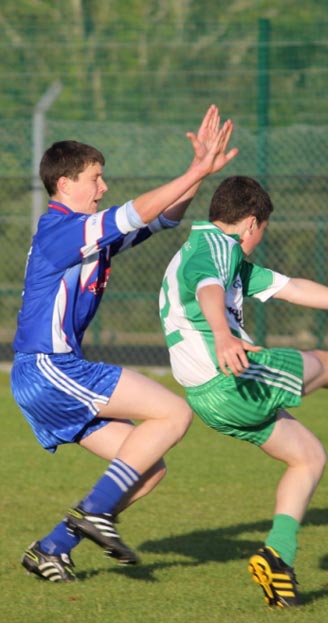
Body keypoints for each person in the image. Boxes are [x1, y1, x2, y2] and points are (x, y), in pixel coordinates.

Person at [158, 175, 328, 608]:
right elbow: (207, 287)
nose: (260, 239)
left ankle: (277, 557)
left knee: (308, 456)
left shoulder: (215, 253)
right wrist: (225, 336)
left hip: (207, 397)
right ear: (249, 224)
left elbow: (292, 288)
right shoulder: (216, 250)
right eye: (262, 230)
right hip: (231, 377)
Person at [11, 105, 238, 583]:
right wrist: (193, 170)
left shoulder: (88, 240)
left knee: (147, 469)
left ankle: (53, 547)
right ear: (65, 185)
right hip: (50, 368)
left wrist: (200, 173)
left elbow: (161, 219)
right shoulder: (61, 230)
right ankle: (95, 512)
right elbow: (136, 210)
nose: (103, 186)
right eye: (96, 178)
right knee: (174, 413)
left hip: (45, 377)